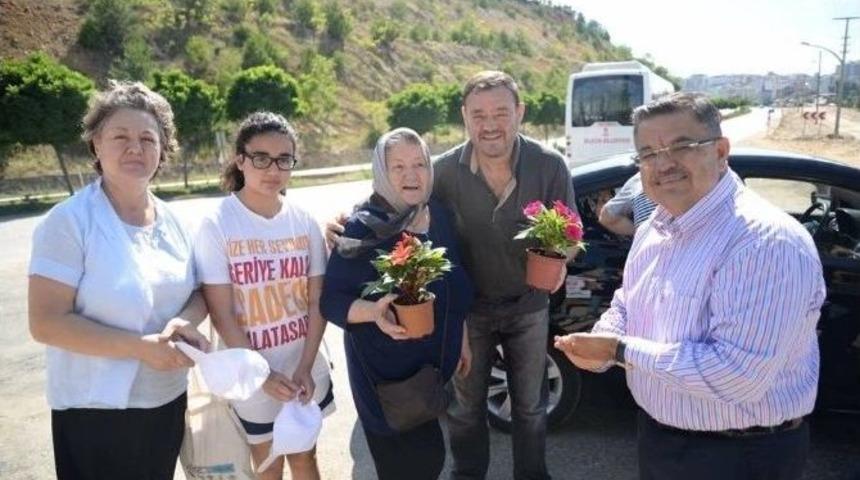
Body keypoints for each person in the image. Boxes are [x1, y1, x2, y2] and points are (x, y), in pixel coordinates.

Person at [554, 92, 825, 480]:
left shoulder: (764, 241)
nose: (663, 163)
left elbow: (736, 374)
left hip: (739, 456)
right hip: (661, 441)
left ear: (720, 150)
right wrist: (602, 342)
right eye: (648, 153)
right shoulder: (653, 229)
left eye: (681, 146)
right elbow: (627, 304)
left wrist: (618, 350)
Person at [28, 81, 210, 479]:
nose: (136, 147)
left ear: (163, 148)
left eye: (148, 137)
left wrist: (185, 321)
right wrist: (140, 348)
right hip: (95, 411)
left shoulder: (175, 221)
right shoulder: (69, 222)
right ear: (96, 143)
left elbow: (198, 292)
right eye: (120, 136)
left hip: (165, 399)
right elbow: (46, 322)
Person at [436, 71, 575, 480]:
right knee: (465, 408)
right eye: (478, 114)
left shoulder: (549, 165)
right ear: (464, 117)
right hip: (469, 311)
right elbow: (401, 206)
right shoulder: (443, 171)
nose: (489, 123)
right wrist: (344, 223)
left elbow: (570, 232)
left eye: (500, 111)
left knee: (530, 407)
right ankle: (468, 474)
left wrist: (561, 256)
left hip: (528, 306)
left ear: (520, 112)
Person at [320, 128, 473, 480]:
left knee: (431, 460)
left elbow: (456, 280)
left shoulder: (438, 214)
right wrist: (373, 312)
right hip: (387, 383)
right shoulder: (363, 228)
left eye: (419, 164)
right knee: (405, 469)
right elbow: (331, 301)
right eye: (398, 166)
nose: (411, 175)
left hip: (429, 376)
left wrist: (460, 334)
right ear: (381, 173)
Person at [194, 112, 333, 480]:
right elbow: (222, 313)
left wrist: (304, 366)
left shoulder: (303, 220)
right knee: (268, 465)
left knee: (306, 458)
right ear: (240, 160)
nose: (273, 169)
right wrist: (261, 376)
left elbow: (318, 300)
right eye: (261, 158)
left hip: (303, 364)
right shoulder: (218, 223)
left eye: (284, 159)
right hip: (250, 373)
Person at [598, 172, 656, 236]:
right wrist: (641, 232)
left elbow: (606, 216)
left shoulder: (637, 182)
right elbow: (606, 216)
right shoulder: (636, 182)